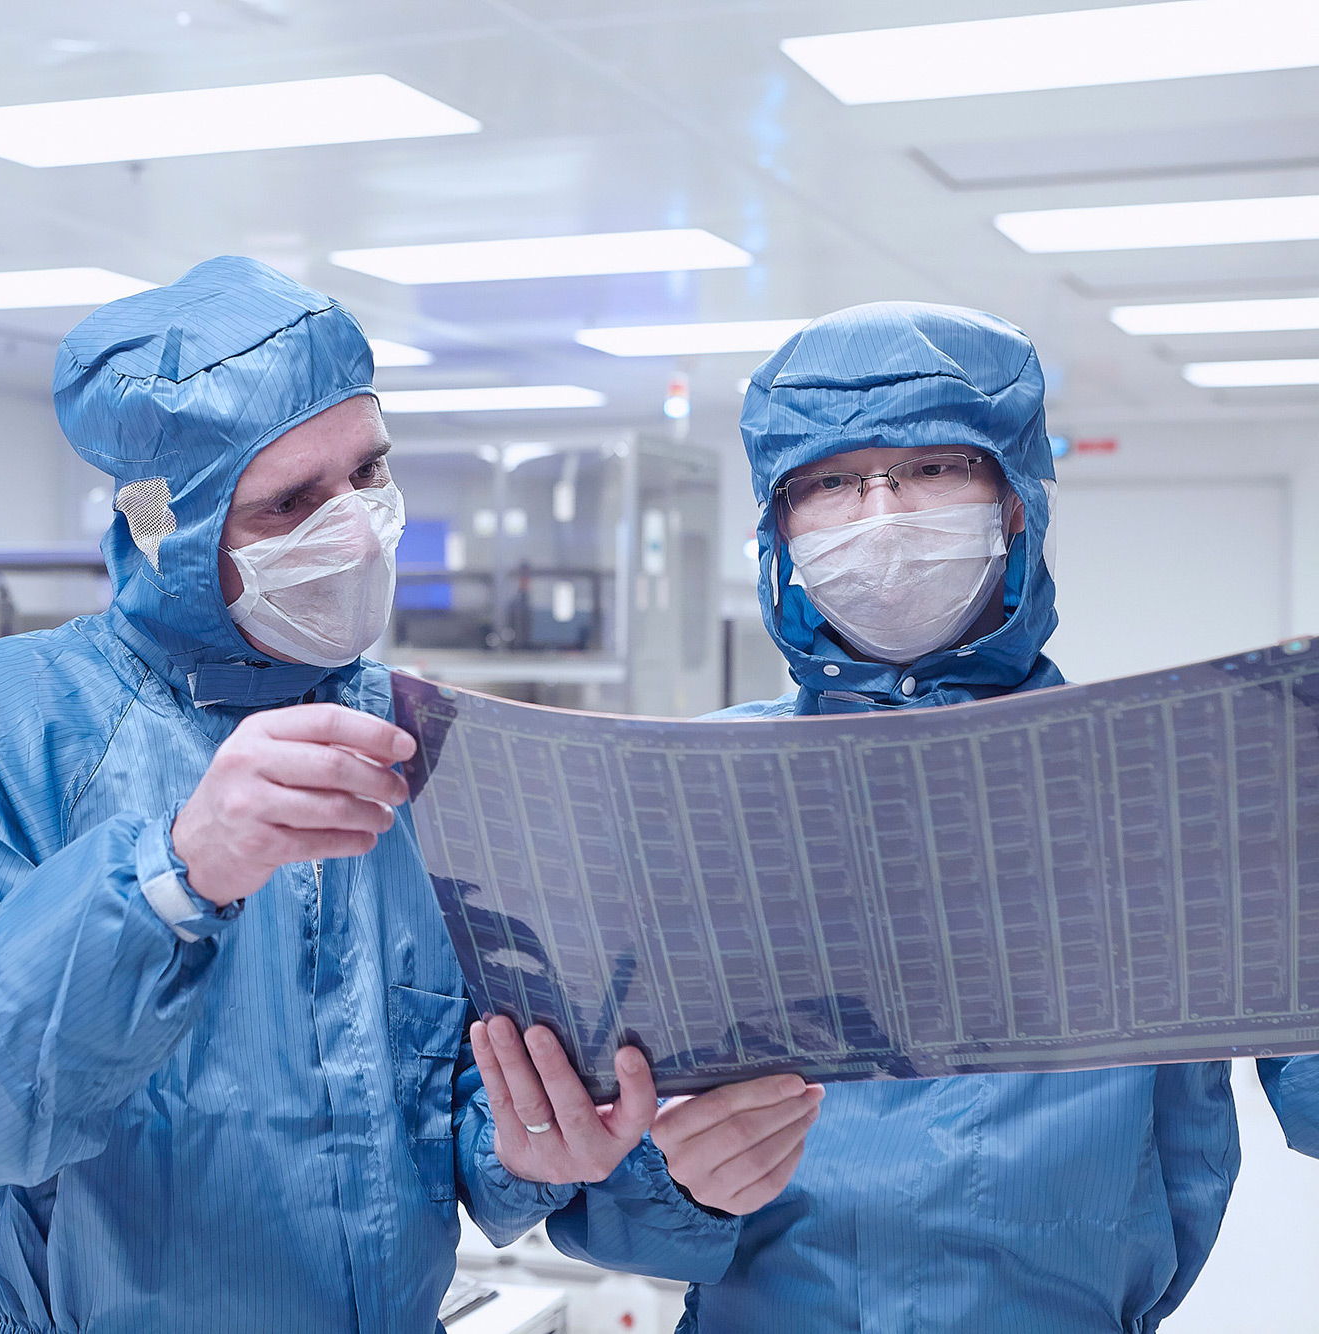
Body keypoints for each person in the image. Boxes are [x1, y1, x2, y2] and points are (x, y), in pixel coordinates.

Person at [0, 256, 817, 1334]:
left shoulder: (425, 744)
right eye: (291, 499)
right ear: (174, 531)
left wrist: (528, 1147)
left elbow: (452, 1110)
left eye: (367, 472)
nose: (351, 527)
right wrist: (171, 872)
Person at [499, 301, 1319, 1331]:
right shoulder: (692, 796)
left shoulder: (1170, 787)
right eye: (829, 482)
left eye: (933, 468)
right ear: (779, 528)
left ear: (1013, 499)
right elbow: (598, 1199)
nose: (879, 513)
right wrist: (681, 1182)